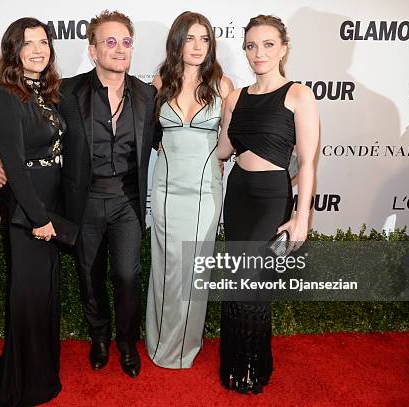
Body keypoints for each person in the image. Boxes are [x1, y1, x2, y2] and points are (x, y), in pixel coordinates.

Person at [0, 10, 159, 378]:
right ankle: (99, 337)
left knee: (128, 276)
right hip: (83, 202)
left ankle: (127, 343)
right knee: (89, 274)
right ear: (93, 49)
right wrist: (4, 162)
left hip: (128, 201)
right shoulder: (66, 92)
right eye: (109, 42)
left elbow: (171, 139)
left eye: (126, 42)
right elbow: (33, 129)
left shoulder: (149, 96)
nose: (119, 49)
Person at [216, 14, 319, 393]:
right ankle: (234, 364)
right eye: (251, 46)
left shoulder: (299, 94)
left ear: (284, 48)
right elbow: (224, 150)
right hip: (238, 192)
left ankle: (253, 366)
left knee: (252, 281)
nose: (258, 53)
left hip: (272, 196)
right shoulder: (234, 97)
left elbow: (307, 161)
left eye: (268, 44)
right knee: (236, 278)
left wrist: (301, 215)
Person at [146, 11, 233, 369]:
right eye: (190, 38)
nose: (197, 47)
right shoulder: (159, 82)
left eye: (205, 39)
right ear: (177, 42)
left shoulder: (223, 86)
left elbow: (227, 145)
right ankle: (158, 343)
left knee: (194, 269)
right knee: (165, 266)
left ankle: (185, 346)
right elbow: (147, 137)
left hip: (203, 193)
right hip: (166, 189)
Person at [0, 18, 64, 406]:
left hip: (49, 206)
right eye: (28, 43)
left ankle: (42, 371)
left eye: (43, 42)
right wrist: (40, 219)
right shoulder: (5, 97)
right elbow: (13, 166)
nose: (38, 49)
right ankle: (24, 382)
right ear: (12, 51)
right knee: (28, 293)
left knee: (44, 292)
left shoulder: (47, 92)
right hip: (27, 210)